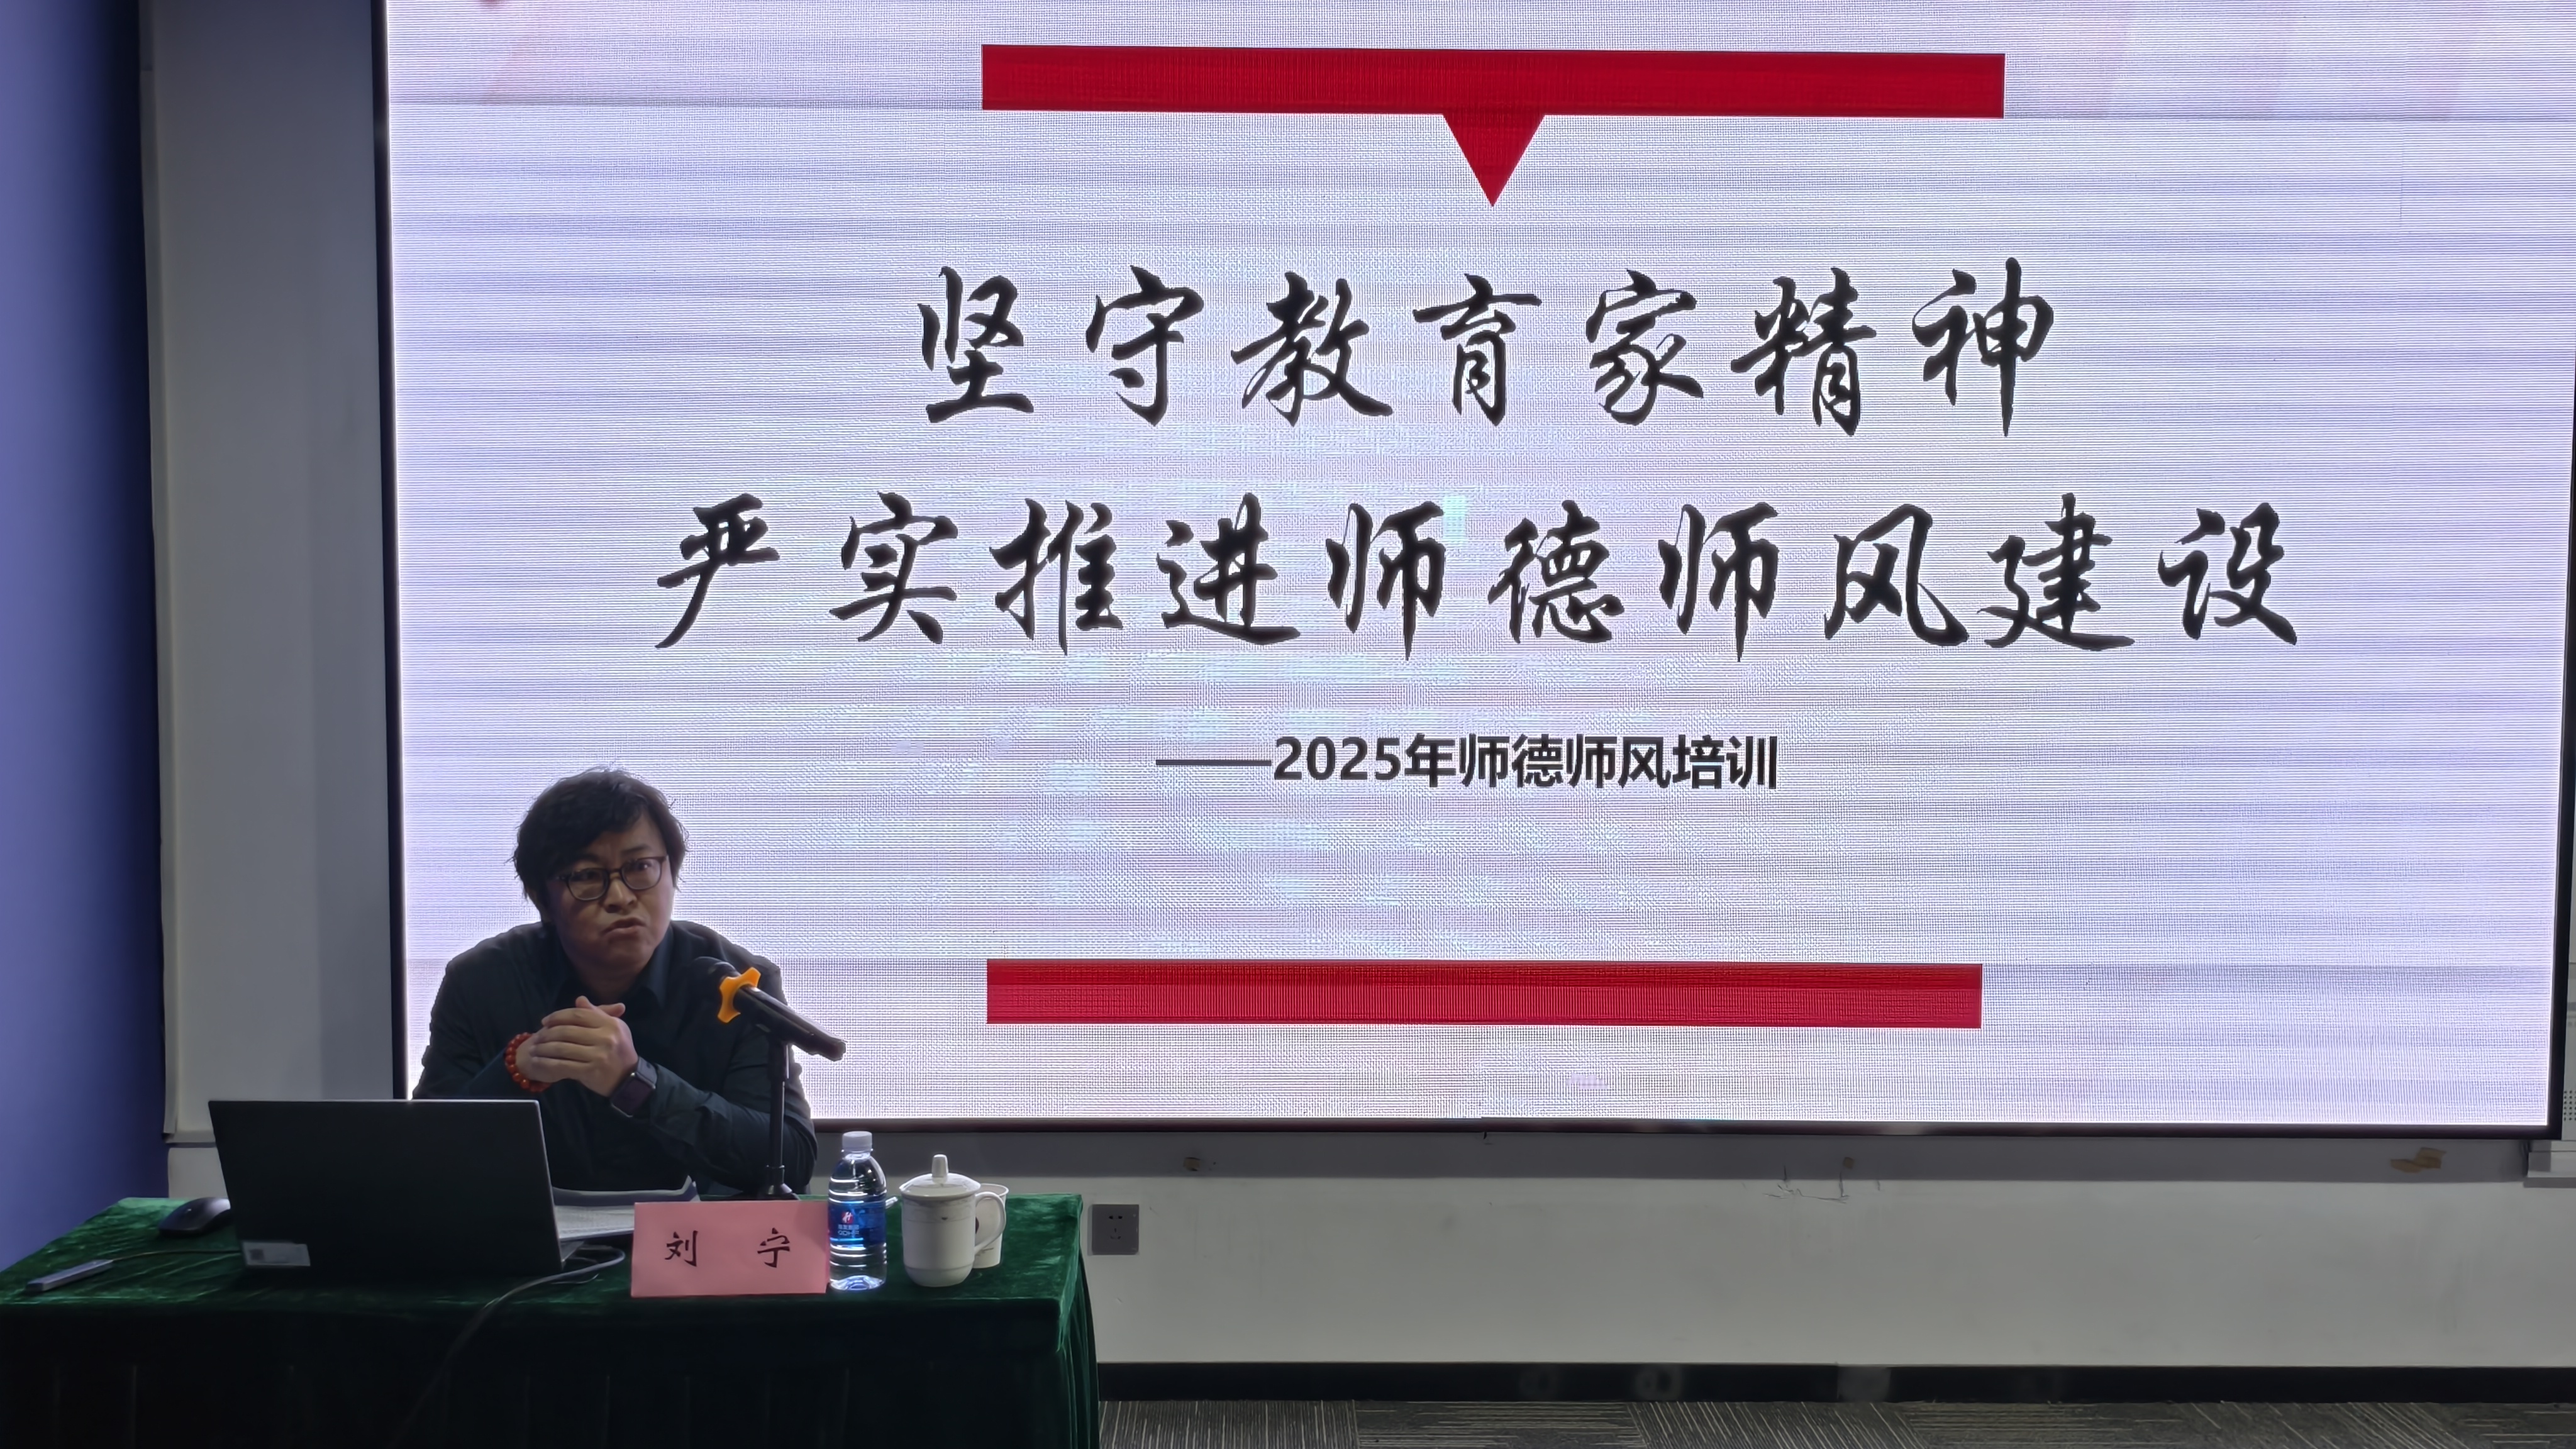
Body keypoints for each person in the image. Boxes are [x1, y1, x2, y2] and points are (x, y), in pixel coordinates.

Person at [414, 768, 817, 1194]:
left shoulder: (739, 984)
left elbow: (791, 1161)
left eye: (641, 867)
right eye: (587, 875)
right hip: (534, 1232)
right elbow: (425, 1159)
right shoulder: (481, 982)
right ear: (540, 897)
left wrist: (638, 1084)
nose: (621, 897)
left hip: (692, 1233)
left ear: (671, 871)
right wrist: (514, 1073)